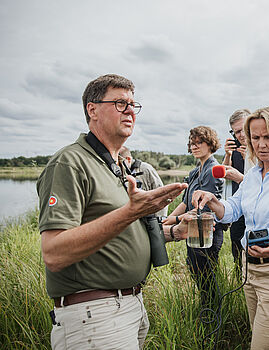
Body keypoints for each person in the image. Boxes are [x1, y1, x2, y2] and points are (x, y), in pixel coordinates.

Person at [37, 74, 188, 349]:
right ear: (92, 109)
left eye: (133, 104)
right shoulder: (70, 163)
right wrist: (131, 212)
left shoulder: (114, 164)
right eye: (120, 103)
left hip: (129, 306)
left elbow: (120, 232)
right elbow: (54, 253)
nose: (130, 110)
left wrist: (175, 232)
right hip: (94, 315)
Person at [192, 106, 269, 350]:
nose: (261, 144)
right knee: (266, 342)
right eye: (255, 137)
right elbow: (233, 209)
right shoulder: (252, 175)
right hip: (250, 271)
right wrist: (213, 201)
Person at [168, 126, 224, 306]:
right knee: (195, 270)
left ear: (210, 144)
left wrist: (175, 220)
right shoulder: (195, 171)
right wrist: (166, 220)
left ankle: (212, 317)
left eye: (199, 142)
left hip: (207, 232)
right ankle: (206, 312)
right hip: (192, 231)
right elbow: (185, 203)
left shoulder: (212, 169)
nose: (194, 146)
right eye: (192, 143)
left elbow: (202, 208)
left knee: (206, 277)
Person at [222, 108, 251, 275]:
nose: (240, 135)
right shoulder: (236, 150)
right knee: (236, 248)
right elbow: (224, 174)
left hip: (256, 208)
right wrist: (227, 155)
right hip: (238, 207)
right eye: (236, 132)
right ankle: (240, 288)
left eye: (242, 129)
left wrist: (250, 158)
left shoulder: (263, 150)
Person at [119, 145, 168, 216]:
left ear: (128, 159)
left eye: (120, 162)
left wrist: (160, 219)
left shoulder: (146, 169)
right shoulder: (118, 172)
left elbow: (162, 195)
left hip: (150, 215)